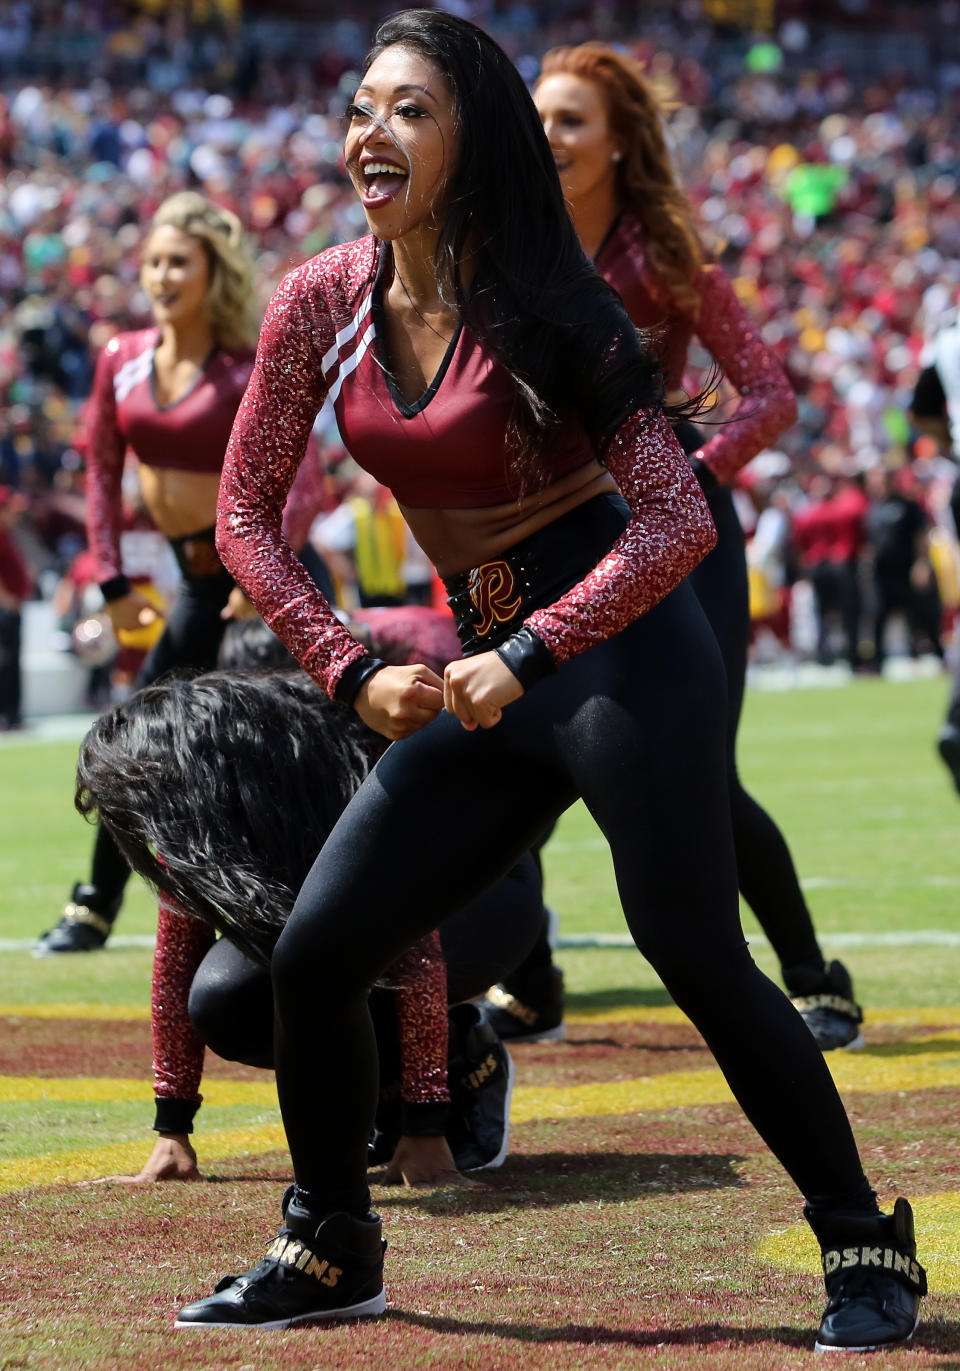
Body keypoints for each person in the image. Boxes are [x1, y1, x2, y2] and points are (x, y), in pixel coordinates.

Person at [175, 13, 925, 1351]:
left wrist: (527, 651)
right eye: (360, 105)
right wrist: (351, 669)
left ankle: (864, 1236)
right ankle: (331, 1240)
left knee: (691, 945)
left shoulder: (553, 301)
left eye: (409, 109)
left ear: (478, 138)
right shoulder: (315, 301)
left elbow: (676, 521)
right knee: (316, 954)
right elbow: (242, 518)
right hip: (485, 666)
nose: (369, 131)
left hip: (623, 654)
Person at [499, 43, 863, 1053]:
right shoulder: (507, 253)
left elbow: (771, 395)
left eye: (571, 120)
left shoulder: (666, 259)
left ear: (619, 141)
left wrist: (688, 478)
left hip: (681, 539)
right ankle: (528, 983)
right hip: (561, 532)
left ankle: (809, 976)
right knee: (520, 749)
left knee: (696, 773)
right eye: (538, 119)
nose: (548, 136)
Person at [75, 646, 542, 1187]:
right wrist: (171, 1133)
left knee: (330, 954)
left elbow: (417, 946)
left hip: (485, 898)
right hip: (381, 930)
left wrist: (426, 1128)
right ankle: (385, 1091)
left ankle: (462, 1058)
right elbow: (178, 958)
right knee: (225, 998)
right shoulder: (203, 813)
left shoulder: (316, 766)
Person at [36, 192, 311, 955]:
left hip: (264, 578)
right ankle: (93, 905)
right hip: (196, 585)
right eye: (154, 260)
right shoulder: (119, 360)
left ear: (211, 273)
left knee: (287, 751)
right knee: (130, 740)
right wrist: (114, 583)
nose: (161, 275)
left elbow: (306, 476)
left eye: (178, 262)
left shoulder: (242, 369)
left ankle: (323, 907)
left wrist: (265, 580)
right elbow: (100, 469)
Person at [864, 463, 943, 671]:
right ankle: (877, 663)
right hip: (882, 573)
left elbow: (921, 535)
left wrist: (922, 563)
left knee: (922, 614)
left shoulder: (907, 506)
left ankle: (940, 655)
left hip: (906, 570)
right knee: (879, 616)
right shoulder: (874, 507)